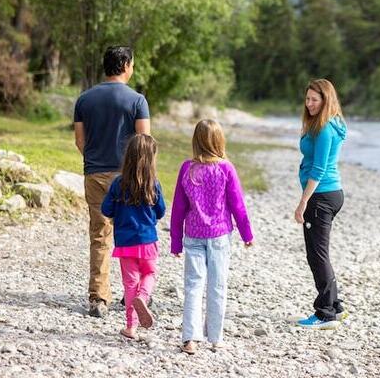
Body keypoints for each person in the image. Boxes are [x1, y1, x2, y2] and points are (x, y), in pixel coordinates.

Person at [74, 46, 151, 318]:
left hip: (94, 174)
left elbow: (80, 141)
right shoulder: (137, 100)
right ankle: (137, 291)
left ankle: (98, 297)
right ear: (127, 64)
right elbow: (144, 143)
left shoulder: (84, 100)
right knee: (132, 233)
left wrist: (95, 161)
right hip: (127, 176)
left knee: (99, 235)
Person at [170, 119, 254, 355]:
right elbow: (238, 205)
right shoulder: (226, 168)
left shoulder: (187, 168)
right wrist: (247, 233)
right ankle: (215, 338)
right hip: (219, 235)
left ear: (196, 141)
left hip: (193, 235)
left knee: (193, 286)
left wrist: (176, 241)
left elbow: (178, 207)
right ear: (219, 141)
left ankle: (190, 338)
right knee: (217, 286)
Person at [293, 79, 347, 330]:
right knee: (320, 253)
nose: (310, 104)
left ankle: (326, 313)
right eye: (307, 99)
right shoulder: (332, 124)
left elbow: (319, 168)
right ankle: (334, 305)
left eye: (315, 99)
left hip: (321, 196)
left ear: (326, 100)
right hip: (330, 194)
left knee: (317, 255)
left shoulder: (325, 128)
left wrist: (303, 202)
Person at [101, 134, 166, 339]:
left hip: (125, 243)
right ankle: (143, 297)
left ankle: (131, 327)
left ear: (128, 157)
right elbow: (161, 211)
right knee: (150, 274)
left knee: (130, 283)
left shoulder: (118, 184)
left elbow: (106, 209)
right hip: (147, 241)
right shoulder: (153, 184)